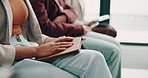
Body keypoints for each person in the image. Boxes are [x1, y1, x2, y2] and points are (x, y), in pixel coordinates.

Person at [0, 0, 112, 78]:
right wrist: (36, 51)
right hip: (11, 56)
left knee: (95, 58)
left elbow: (28, 32)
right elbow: (47, 27)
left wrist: (50, 40)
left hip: (30, 44)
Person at [30, 0, 121, 78]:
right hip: (60, 35)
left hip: (70, 30)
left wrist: (64, 16)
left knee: (116, 43)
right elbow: (46, 28)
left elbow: (73, 11)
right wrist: (80, 28)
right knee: (113, 51)